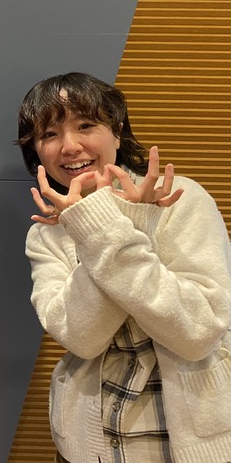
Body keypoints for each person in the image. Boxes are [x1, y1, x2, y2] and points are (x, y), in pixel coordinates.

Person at [16, 72, 231, 463]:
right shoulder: (46, 235)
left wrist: (111, 226)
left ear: (116, 131)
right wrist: (108, 225)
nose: (70, 146)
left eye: (85, 126)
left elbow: (197, 333)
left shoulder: (179, 201)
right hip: (92, 437)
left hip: (194, 438)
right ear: (36, 152)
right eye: (49, 134)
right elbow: (82, 339)